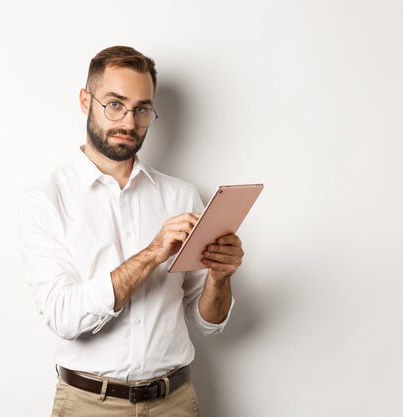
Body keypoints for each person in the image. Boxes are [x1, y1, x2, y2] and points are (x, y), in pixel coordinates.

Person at [18, 46, 244, 417]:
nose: (128, 121)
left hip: (174, 402)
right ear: (84, 100)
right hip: (89, 405)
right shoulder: (45, 201)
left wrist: (221, 276)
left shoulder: (181, 195)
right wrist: (153, 252)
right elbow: (64, 316)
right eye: (114, 104)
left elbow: (208, 323)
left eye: (142, 108)